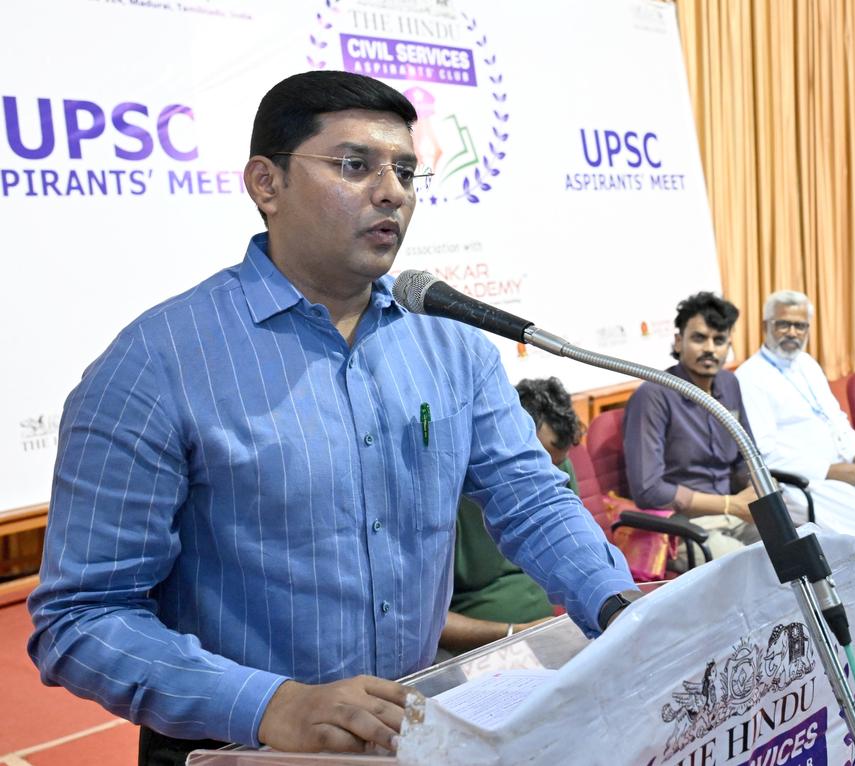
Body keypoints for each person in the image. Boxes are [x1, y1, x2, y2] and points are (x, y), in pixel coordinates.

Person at [27, 71, 636, 764]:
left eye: (405, 170)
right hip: (236, 747)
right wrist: (270, 703)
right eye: (355, 165)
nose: (392, 191)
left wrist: (618, 606)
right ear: (266, 184)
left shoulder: (452, 344)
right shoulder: (157, 364)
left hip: (410, 732)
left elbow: (530, 499)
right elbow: (81, 619)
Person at [736, 291, 855, 651]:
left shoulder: (808, 364)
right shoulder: (750, 377)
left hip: (846, 472)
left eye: (800, 325)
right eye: (783, 324)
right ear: (765, 326)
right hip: (801, 484)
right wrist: (829, 470)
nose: (792, 332)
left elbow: (836, 419)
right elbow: (764, 452)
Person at [439, 377, 583, 655]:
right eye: (536, 462)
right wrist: (513, 634)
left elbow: (575, 553)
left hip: (546, 632)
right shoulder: (448, 495)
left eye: (555, 465)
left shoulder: (557, 470)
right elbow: (422, 624)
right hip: (476, 648)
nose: (547, 477)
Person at [623, 292, 760, 560]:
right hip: (681, 524)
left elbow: (747, 458)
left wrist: (760, 486)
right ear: (678, 341)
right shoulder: (653, 395)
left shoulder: (730, 385)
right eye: (699, 338)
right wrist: (730, 505)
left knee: (796, 547)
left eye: (719, 340)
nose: (710, 348)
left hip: (735, 513)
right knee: (749, 567)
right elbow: (648, 490)